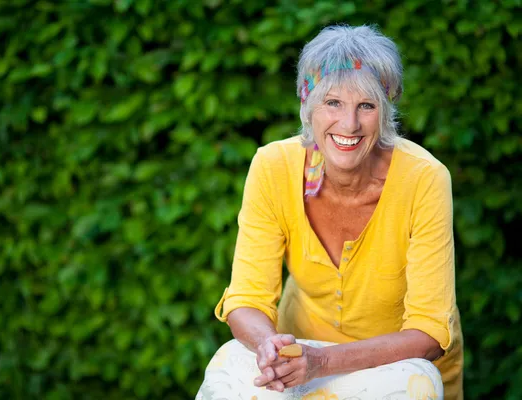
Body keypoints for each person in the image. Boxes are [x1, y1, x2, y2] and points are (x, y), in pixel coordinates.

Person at [196, 24, 463, 400]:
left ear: (385, 112)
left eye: (366, 106)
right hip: (296, 360)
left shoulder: (424, 179)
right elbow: (247, 299)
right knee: (229, 368)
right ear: (308, 106)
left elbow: (430, 333)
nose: (349, 124)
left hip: (398, 368)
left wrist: (322, 363)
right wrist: (269, 346)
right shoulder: (273, 166)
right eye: (333, 102)